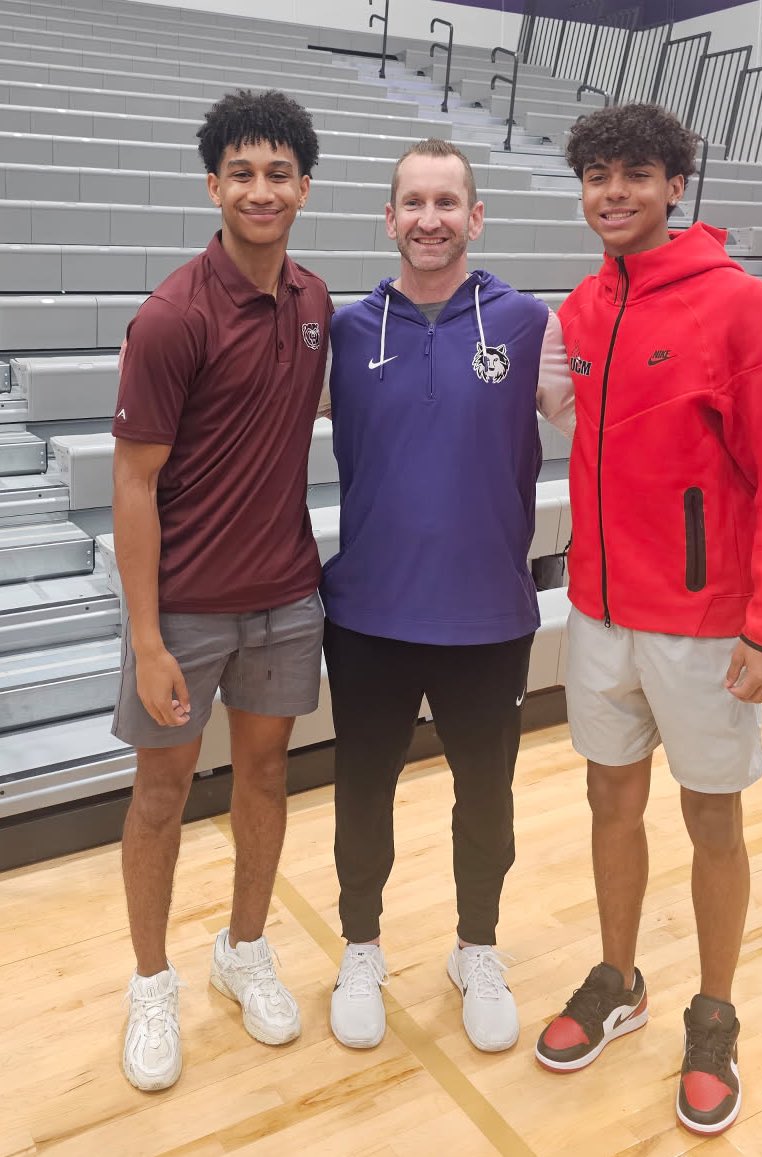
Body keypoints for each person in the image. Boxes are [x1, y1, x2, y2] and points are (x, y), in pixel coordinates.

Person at [533, 104, 762, 1136]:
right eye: (598, 176)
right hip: (602, 614)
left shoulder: (736, 306)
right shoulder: (580, 307)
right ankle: (619, 978)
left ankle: (714, 1015)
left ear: (673, 185)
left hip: (706, 624)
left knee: (712, 817)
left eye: (636, 175)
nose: (614, 192)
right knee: (609, 800)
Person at [321, 139, 574, 1053]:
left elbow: (602, 425)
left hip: (487, 615)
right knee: (361, 792)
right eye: (413, 202)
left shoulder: (525, 323)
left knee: (487, 796)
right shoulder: (349, 333)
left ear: (476, 217)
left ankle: (477, 945)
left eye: (447, 201)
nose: (430, 218)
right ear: (389, 219)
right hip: (369, 616)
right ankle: (360, 947)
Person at [111, 89, 331, 1092]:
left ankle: (243, 947)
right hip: (187, 610)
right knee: (162, 790)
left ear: (303, 187)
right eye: (241, 172)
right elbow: (134, 483)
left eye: (278, 172)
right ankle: (151, 979)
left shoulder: (317, 303)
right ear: (213, 185)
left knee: (268, 777)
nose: (260, 188)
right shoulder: (171, 316)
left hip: (286, 594)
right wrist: (148, 638)